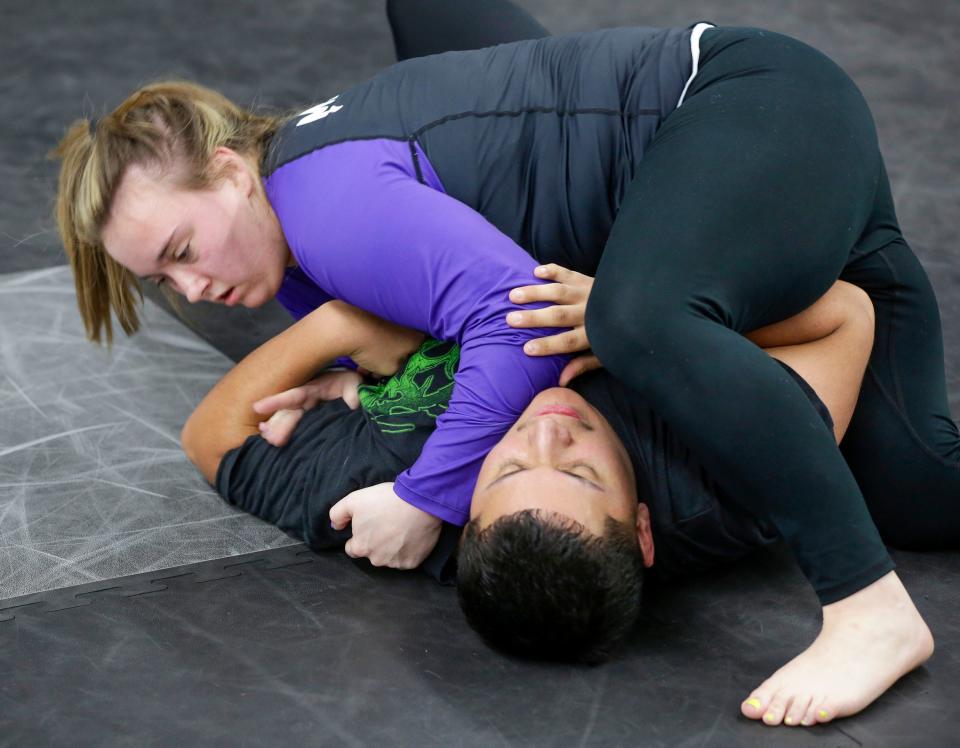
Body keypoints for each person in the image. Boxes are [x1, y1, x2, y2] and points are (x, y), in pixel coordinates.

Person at [52, 0, 956, 727]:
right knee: (916, 489)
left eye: (182, 247)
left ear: (230, 171)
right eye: (160, 278)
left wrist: (426, 496)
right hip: (775, 171)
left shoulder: (326, 211)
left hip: (745, 107)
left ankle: (867, 607)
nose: (192, 286)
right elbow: (443, 314)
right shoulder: (297, 230)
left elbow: (511, 320)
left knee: (630, 319)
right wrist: (362, 383)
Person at [183, 277, 874, 679]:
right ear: (641, 528)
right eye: (580, 471)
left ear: (459, 514)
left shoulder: (405, 491)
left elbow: (210, 436)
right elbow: (846, 314)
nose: (547, 425)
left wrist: (343, 326)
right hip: (641, 225)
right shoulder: (730, 478)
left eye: (507, 467)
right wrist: (632, 323)